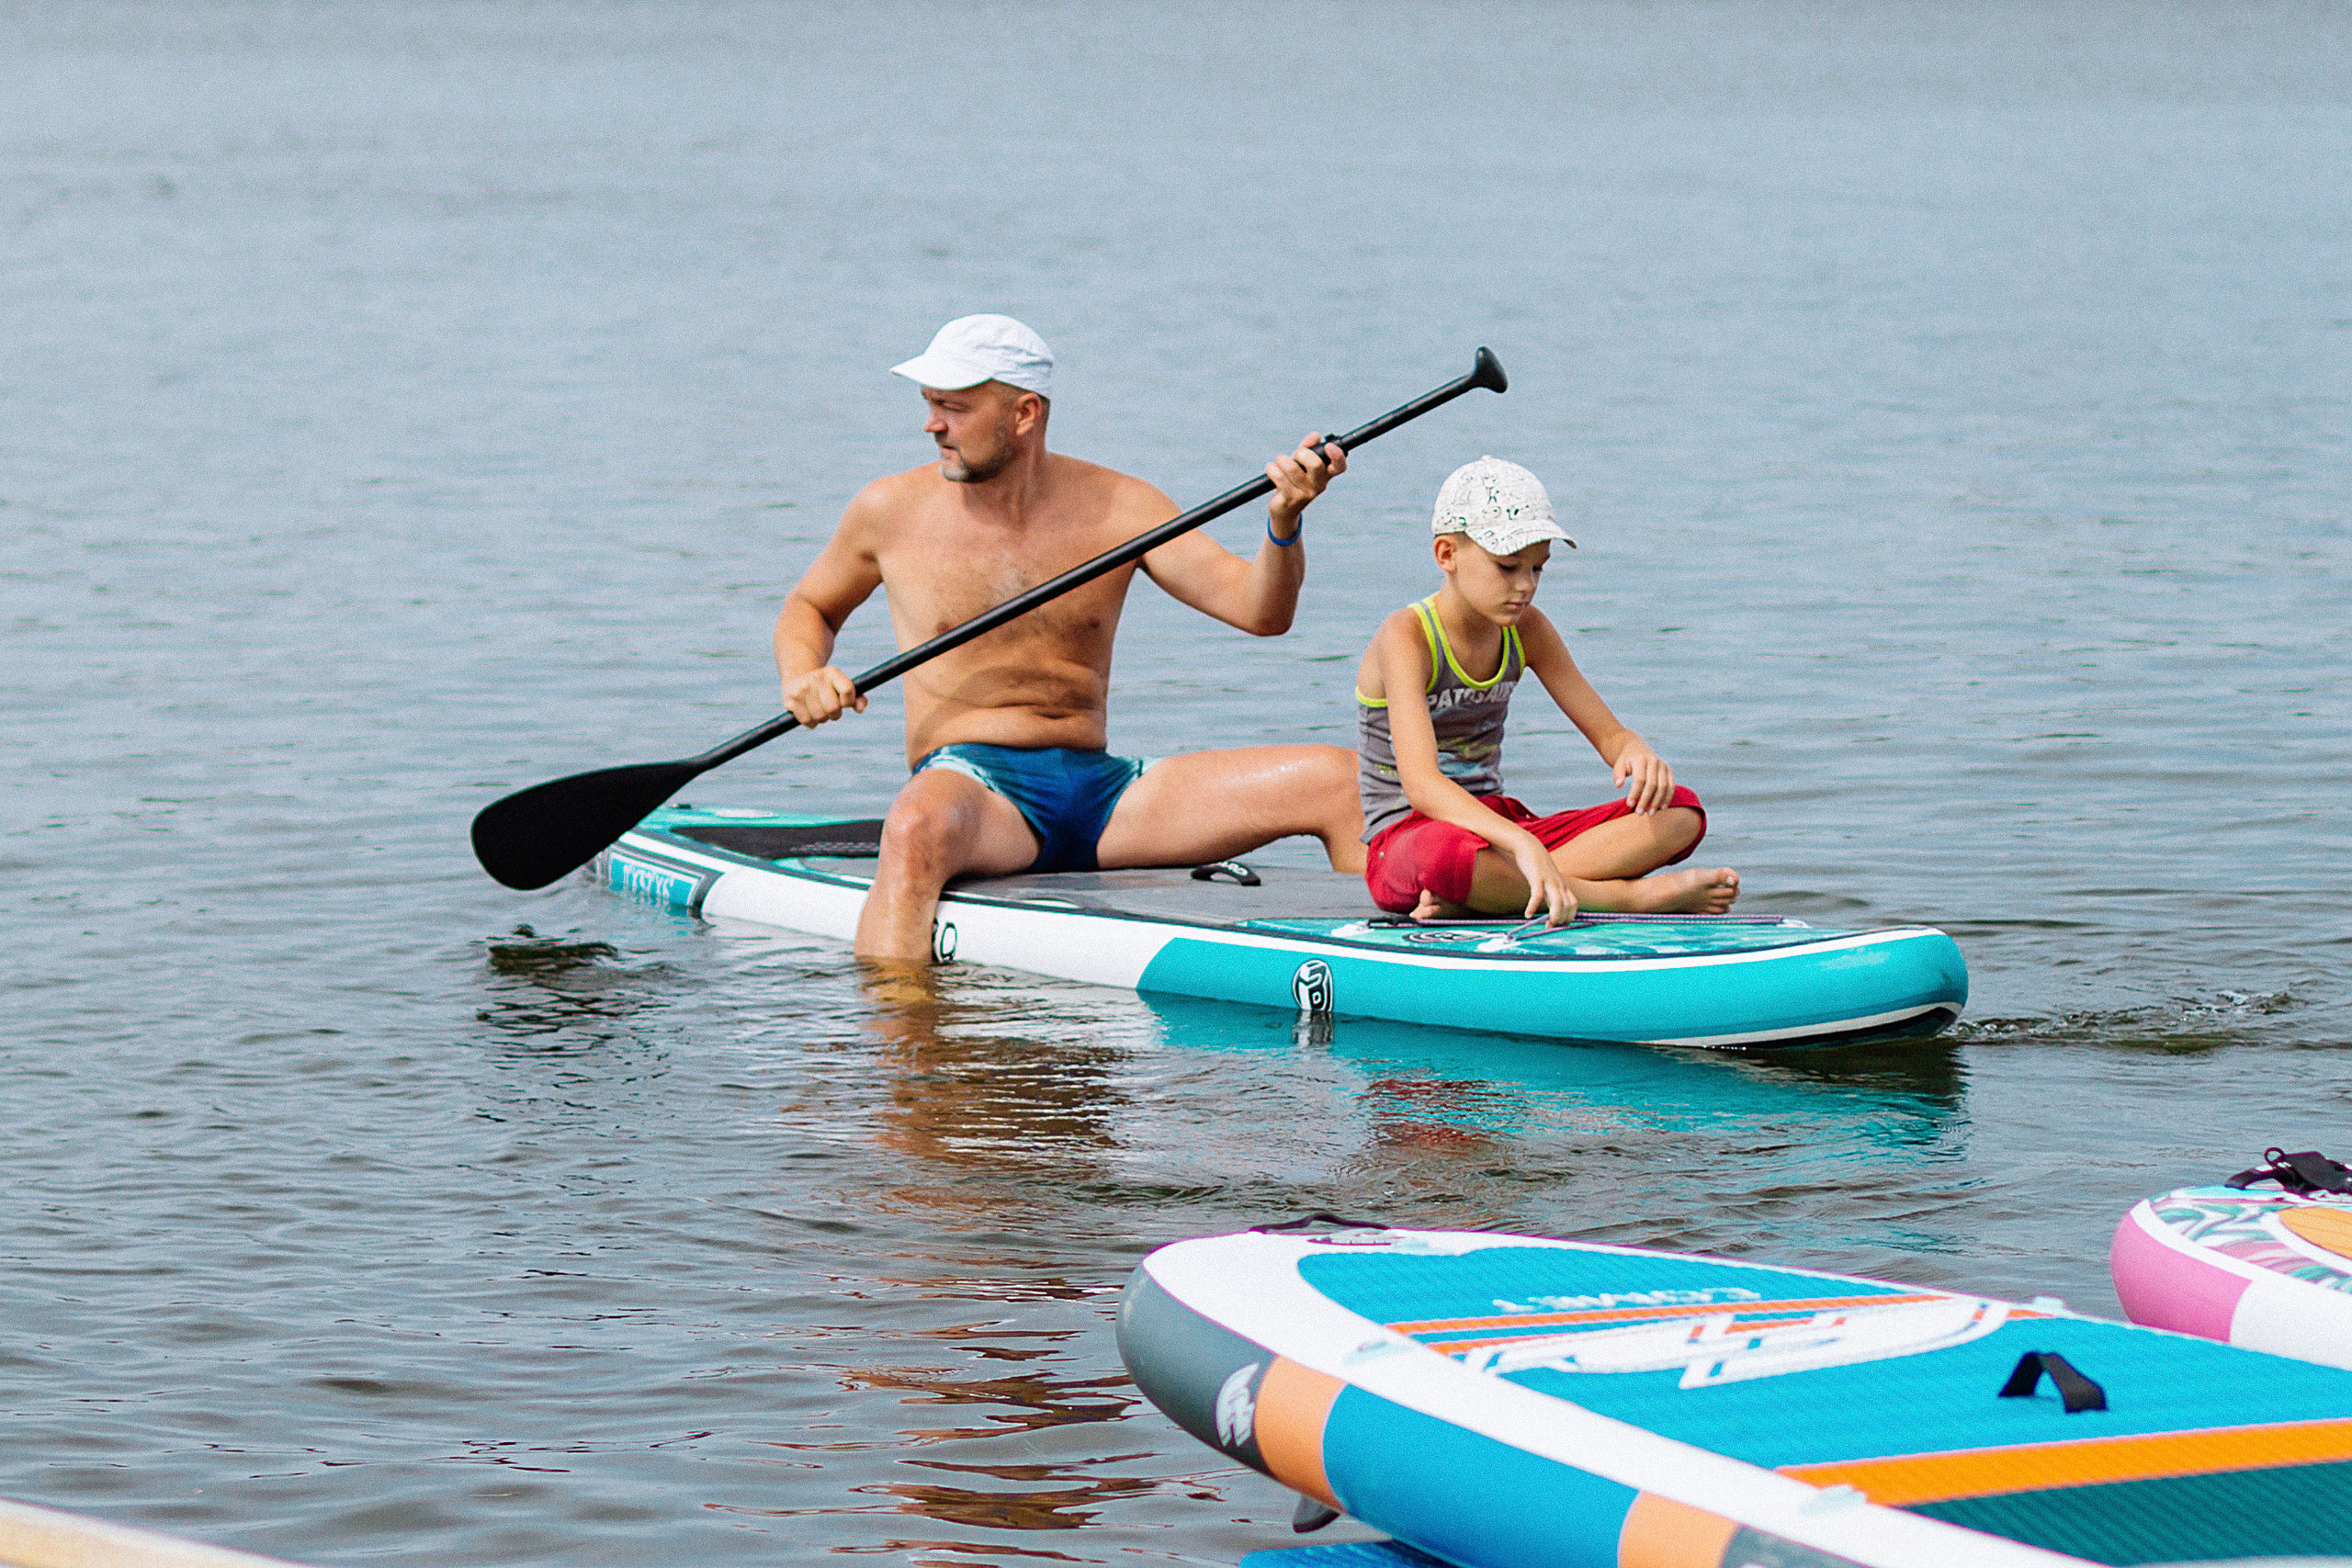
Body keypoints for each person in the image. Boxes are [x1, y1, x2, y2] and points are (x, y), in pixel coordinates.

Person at [775, 314, 1363, 961]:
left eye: (953, 407)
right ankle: (902, 1043)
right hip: (978, 798)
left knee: (1342, 782)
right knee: (912, 827)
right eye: (929, 405)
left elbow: (1260, 610)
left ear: (1024, 413)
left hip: (1107, 796)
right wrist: (805, 676)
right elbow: (810, 607)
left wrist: (1285, 522)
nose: (931, 425)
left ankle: (1404, 961)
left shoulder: (1122, 506)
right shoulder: (888, 512)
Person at [1353, 456, 1741, 924]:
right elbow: (1422, 785)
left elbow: (1610, 736)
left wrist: (1635, 751)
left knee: (1681, 811)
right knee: (1443, 856)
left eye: (1538, 569)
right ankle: (1625, 898)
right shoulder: (1407, 637)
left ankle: (1490, 895)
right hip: (1409, 839)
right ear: (1447, 555)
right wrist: (1522, 844)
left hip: (1501, 826)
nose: (1525, 586)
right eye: (1507, 566)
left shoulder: (1528, 630)